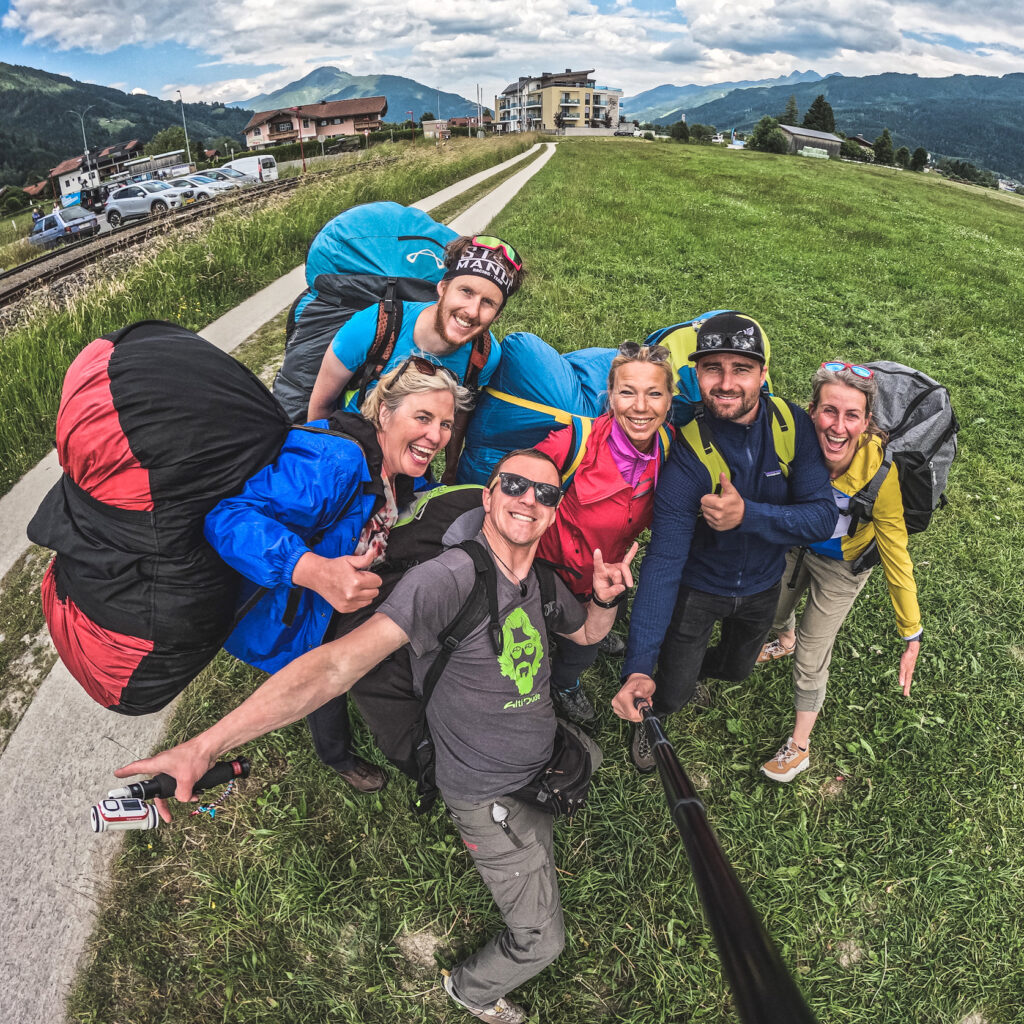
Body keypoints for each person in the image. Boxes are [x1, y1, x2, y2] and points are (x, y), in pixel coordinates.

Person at [117, 448, 637, 1024]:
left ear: (554, 511)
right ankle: (471, 989)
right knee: (542, 942)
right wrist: (205, 746)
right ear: (488, 496)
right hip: (486, 793)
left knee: (588, 760)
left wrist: (606, 598)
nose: (528, 498)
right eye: (513, 483)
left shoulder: (538, 581)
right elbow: (333, 668)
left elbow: (587, 630)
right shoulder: (446, 580)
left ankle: (530, 843)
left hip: (541, 754)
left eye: (545, 492)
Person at [205, 357, 471, 793]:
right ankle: (338, 757)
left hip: (335, 597)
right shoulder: (334, 461)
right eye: (423, 417)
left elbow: (414, 501)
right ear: (384, 411)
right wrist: (312, 570)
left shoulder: (400, 467)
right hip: (288, 612)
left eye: (445, 424)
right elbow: (228, 519)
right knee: (321, 682)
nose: (436, 436)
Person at [611, 312, 839, 771]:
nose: (727, 383)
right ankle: (653, 718)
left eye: (742, 369)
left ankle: (693, 670)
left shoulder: (792, 426)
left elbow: (821, 518)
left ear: (764, 374)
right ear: (696, 374)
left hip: (762, 588)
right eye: (713, 368)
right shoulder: (688, 452)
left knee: (736, 668)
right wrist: (637, 666)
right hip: (700, 589)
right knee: (672, 689)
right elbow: (663, 563)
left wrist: (747, 515)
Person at [757, 361, 921, 782]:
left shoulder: (883, 475)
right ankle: (784, 637)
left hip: (844, 565)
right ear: (811, 410)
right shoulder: (793, 443)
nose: (838, 427)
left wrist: (911, 632)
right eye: (830, 411)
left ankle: (800, 746)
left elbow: (897, 553)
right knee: (772, 609)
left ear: (867, 423)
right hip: (796, 541)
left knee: (814, 653)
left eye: (852, 416)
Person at [307, 235, 525, 481]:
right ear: (442, 288)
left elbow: (461, 412)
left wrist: (451, 472)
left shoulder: (484, 354)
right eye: (466, 291)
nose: (472, 311)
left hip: (409, 465)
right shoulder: (373, 327)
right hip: (349, 452)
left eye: (488, 302)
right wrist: (322, 469)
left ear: (497, 315)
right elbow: (321, 404)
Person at [534, 341, 674, 725]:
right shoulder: (571, 443)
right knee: (580, 647)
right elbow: (514, 491)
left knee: (600, 630)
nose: (641, 407)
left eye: (654, 393)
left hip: (611, 571)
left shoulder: (667, 445)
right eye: (627, 392)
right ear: (610, 397)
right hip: (553, 570)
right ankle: (564, 684)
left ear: (669, 398)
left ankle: (584, 652)